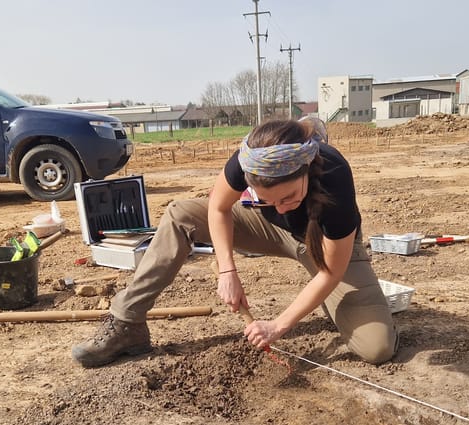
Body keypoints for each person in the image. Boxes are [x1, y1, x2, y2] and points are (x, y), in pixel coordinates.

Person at [72, 116, 397, 367]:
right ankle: (128, 321)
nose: (282, 207)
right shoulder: (247, 161)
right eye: (270, 200)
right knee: (180, 213)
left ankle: (334, 304)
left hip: (324, 249)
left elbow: (331, 271)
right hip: (272, 233)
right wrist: (227, 270)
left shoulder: (334, 176)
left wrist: (278, 326)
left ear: (306, 171)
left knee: (376, 347)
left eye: (289, 196)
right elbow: (217, 206)